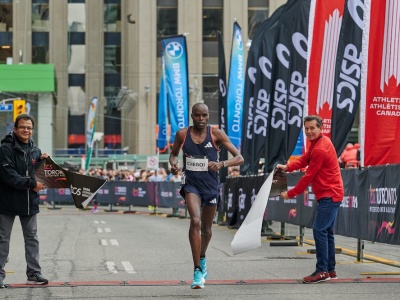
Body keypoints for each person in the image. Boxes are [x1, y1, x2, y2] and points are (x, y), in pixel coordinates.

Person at [169, 103, 244, 289]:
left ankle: (202, 257)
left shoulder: (216, 134)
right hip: (191, 185)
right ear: (191, 116)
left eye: (204, 115)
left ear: (208, 116)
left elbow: (239, 157)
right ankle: (196, 271)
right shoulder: (182, 134)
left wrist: (222, 164)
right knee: (195, 221)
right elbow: (173, 155)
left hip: (210, 186)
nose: (201, 119)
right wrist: (173, 164)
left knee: (207, 230)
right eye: (197, 116)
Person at [276, 115, 343, 284]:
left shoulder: (321, 148)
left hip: (330, 194)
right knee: (326, 232)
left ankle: (321, 271)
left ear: (321, 128)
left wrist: (290, 194)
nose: (309, 131)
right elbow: (305, 159)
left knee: (319, 230)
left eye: (313, 128)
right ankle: (331, 269)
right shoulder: (318, 143)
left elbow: (308, 176)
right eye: (306, 128)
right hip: (330, 194)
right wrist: (287, 167)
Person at [0, 114, 49, 288]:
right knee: (2, 239)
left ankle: (34, 274)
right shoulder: (5, 148)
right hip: (6, 202)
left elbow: (33, 172)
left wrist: (43, 163)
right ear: (15, 129)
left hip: (29, 202)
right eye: (22, 127)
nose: (26, 130)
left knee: (32, 239)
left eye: (29, 128)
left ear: (32, 130)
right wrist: (32, 183)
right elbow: (10, 176)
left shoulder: (35, 150)